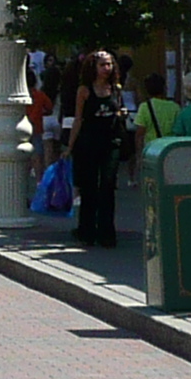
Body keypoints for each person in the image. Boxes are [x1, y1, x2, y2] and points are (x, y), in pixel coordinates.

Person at [68, 51, 132, 250]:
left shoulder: (115, 89)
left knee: (107, 186)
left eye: (110, 64)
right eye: (103, 65)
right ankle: (86, 230)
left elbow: (118, 110)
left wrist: (121, 114)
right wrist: (69, 146)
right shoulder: (85, 90)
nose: (107, 68)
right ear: (93, 67)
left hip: (111, 142)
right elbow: (78, 119)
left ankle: (107, 233)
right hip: (89, 142)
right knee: (89, 188)